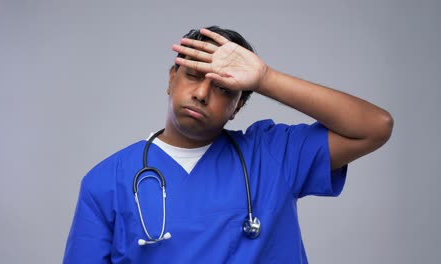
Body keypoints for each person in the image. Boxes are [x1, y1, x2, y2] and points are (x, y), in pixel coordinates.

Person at [63, 26, 393, 263]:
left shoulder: (273, 155)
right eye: (193, 75)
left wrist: (266, 79)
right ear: (170, 79)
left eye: (223, 89)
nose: (202, 93)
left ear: (238, 107)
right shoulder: (106, 182)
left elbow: (374, 126)